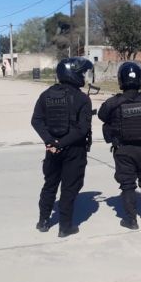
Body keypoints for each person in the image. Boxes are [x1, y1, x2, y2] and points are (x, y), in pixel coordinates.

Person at [31, 57, 94, 238]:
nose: (83, 76)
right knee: (69, 188)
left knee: (50, 185)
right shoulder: (82, 99)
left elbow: (36, 121)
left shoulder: (46, 95)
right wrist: (59, 143)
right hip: (73, 150)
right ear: (72, 74)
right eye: (81, 73)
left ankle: (43, 221)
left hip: (52, 150)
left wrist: (50, 142)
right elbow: (82, 130)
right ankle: (65, 227)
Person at [98, 62, 141, 230]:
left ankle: (131, 220)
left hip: (123, 151)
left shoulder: (114, 102)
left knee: (128, 185)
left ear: (121, 80)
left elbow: (101, 115)